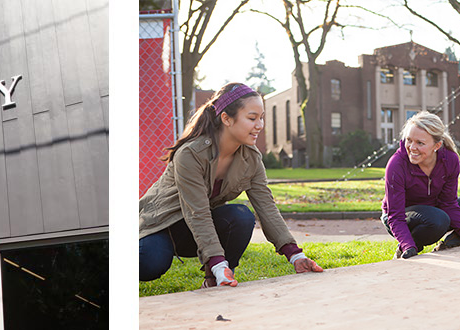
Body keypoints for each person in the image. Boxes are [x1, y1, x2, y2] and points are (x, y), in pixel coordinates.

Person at [139, 83, 324, 287]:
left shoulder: (251, 158)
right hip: (161, 226)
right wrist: (218, 260)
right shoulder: (191, 155)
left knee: (241, 216)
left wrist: (295, 255)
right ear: (226, 118)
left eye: (261, 118)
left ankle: (215, 279)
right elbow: (197, 212)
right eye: (252, 118)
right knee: (150, 262)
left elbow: (266, 206)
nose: (260, 125)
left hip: (192, 231)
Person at [382, 111, 460, 259]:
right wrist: (408, 245)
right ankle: (407, 248)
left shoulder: (450, 160)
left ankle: (449, 245)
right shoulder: (397, 164)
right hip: (400, 215)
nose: (412, 148)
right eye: (409, 140)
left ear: (437, 145)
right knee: (439, 219)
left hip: (436, 210)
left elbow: (449, 204)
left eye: (420, 143)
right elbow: (395, 215)